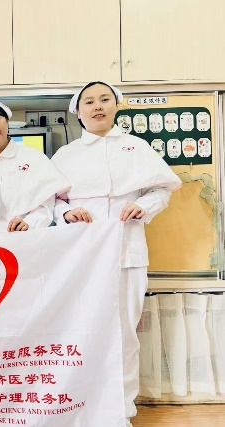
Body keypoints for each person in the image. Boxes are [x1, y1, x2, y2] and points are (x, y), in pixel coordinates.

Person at [51, 81, 182, 427]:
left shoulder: (136, 147)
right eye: (89, 101)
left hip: (128, 252)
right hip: (81, 257)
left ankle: (121, 411)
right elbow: (51, 202)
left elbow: (161, 190)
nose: (97, 106)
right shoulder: (65, 156)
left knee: (124, 333)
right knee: (80, 330)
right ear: (77, 111)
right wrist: (66, 213)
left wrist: (143, 206)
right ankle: (81, 405)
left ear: (115, 105)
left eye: (104, 99)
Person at [0, 99, 70, 231]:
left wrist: (29, 222)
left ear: (7, 120)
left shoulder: (34, 157)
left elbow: (46, 205)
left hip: (27, 236)